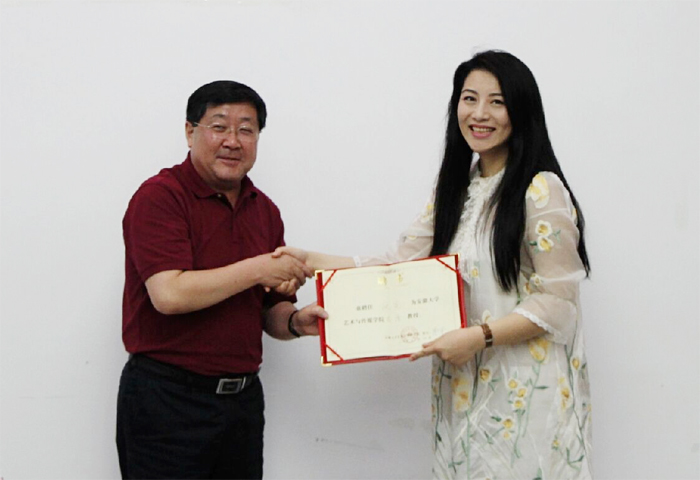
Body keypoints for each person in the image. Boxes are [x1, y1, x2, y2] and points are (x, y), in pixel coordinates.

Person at [275, 50, 593, 479]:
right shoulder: (457, 190)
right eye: (469, 98)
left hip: (525, 392)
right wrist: (309, 262)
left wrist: (479, 337)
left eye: (497, 102)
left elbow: (559, 302)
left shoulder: (540, 188)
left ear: (521, 110)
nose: (479, 114)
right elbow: (399, 265)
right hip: (462, 386)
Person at [116, 80, 326, 479]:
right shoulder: (160, 197)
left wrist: (297, 323)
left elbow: (268, 309)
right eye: (219, 126)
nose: (233, 141)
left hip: (242, 405)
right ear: (190, 131)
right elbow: (169, 294)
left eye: (246, 130)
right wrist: (259, 268)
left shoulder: (264, 210)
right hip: (167, 402)